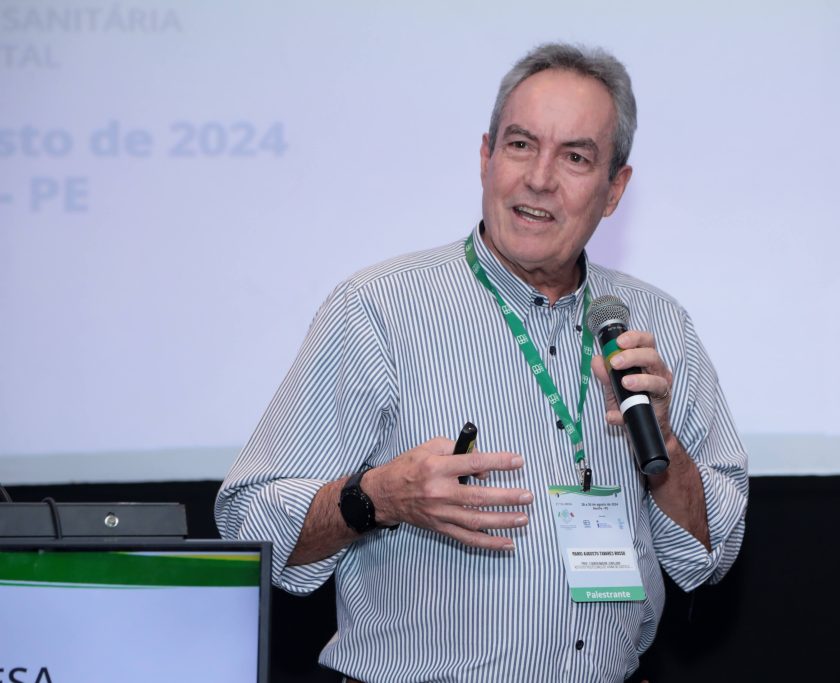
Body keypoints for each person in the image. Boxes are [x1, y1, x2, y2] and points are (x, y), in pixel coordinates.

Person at [216, 43, 748, 682]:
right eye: (521, 145)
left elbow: (709, 557)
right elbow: (249, 528)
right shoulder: (378, 308)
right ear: (485, 157)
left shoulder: (659, 324)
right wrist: (378, 497)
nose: (539, 178)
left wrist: (665, 446)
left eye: (575, 157)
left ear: (614, 190)